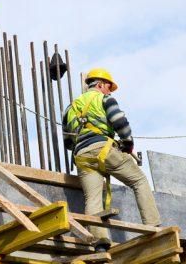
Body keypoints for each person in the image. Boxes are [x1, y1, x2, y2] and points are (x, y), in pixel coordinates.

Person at [62, 68, 161, 252]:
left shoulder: (70, 108)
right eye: (109, 87)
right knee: (139, 180)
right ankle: (153, 227)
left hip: (82, 156)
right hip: (104, 149)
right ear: (100, 84)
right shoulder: (104, 99)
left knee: (92, 199)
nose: (110, 91)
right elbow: (120, 122)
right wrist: (127, 143)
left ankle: (100, 244)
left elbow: (68, 142)